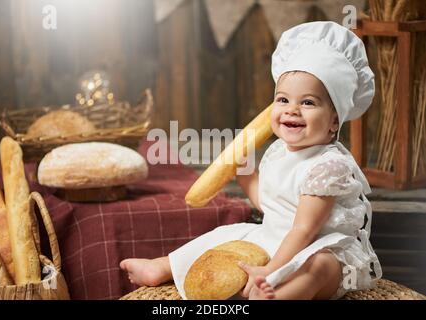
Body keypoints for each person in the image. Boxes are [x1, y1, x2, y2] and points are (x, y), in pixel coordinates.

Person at [120, 21, 382, 300]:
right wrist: (247, 175)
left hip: (314, 245)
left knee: (320, 267)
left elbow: (304, 229)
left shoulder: (329, 166)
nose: (292, 110)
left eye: (308, 102)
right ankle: (163, 267)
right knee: (224, 235)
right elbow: (270, 204)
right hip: (273, 238)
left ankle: (281, 295)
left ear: (333, 122)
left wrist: (272, 268)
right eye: (282, 100)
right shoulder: (279, 152)